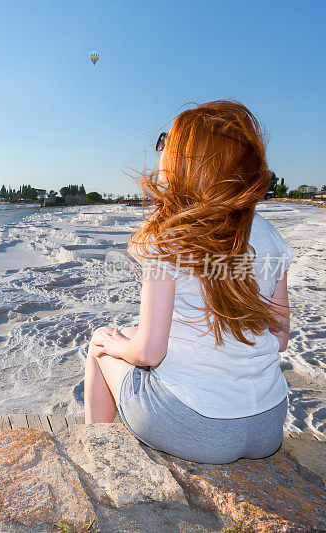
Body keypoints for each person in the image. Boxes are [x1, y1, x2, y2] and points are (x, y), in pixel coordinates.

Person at [84, 100, 292, 464]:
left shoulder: (170, 237)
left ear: (186, 161)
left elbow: (150, 353)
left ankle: (97, 457)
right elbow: (279, 337)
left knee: (102, 340)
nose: (161, 148)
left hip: (194, 425)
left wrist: (116, 345)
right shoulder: (272, 237)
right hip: (268, 424)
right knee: (138, 331)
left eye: (167, 141)